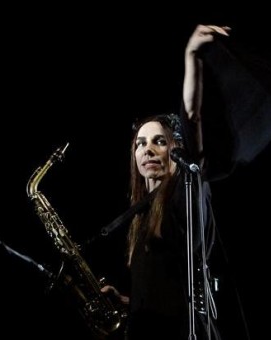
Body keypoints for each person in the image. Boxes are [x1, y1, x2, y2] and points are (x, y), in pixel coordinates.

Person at [101, 24, 230, 340]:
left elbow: (192, 116)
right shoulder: (142, 213)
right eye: (140, 144)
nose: (147, 149)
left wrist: (191, 55)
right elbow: (167, 293)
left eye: (159, 141)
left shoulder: (184, 190)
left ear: (176, 149)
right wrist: (130, 304)